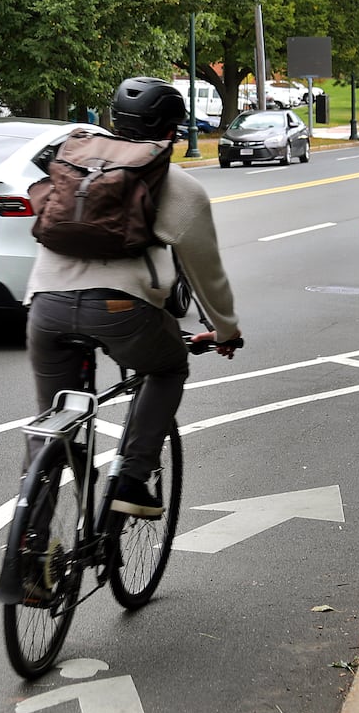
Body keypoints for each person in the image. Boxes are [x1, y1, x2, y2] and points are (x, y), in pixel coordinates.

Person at [25, 77, 242, 519]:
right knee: (167, 368)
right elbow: (206, 273)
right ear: (170, 133)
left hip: (44, 306)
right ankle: (132, 477)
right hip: (122, 311)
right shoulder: (179, 186)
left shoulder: (76, 157)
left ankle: (31, 555)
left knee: (53, 425)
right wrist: (225, 330)